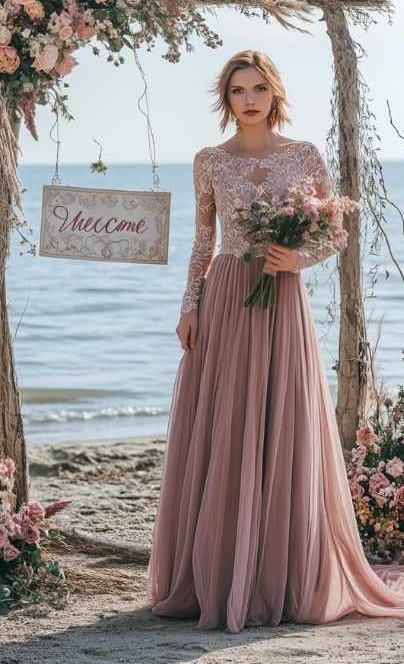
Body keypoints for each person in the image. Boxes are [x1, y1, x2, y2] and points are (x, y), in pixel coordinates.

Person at [146, 50, 404, 632]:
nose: (250, 98)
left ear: (274, 92)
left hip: (281, 296)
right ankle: (225, 567)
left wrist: (299, 257)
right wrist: (189, 308)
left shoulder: (305, 154)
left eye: (259, 87)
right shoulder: (210, 160)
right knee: (229, 425)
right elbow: (202, 241)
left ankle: (279, 572)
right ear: (227, 99)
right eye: (239, 90)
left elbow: (336, 231)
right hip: (228, 295)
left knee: (280, 421)